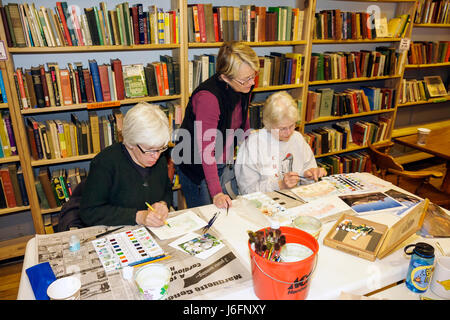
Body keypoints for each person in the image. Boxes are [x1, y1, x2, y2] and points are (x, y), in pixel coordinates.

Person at [174, 41, 259, 209]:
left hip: (222, 158)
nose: (252, 83)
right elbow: (206, 150)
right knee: (208, 217)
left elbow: (243, 117)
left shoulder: (242, 86)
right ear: (226, 77)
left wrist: (251, 147)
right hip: (196, 165)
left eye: (253, 76)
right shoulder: (209, 99)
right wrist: (216, 193)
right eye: (246, 79)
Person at [80, 102, 172, 227]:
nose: (156, 156)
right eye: (149, 150)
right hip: (117, 232)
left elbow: (166, 189)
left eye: (161, 148)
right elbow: (89, 212)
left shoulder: (160, 158)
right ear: (130, 143)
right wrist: (138, 216)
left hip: (152, 232)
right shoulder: (105, 163)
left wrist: (163, 203)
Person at [235, 91, 327, 195]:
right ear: (269, 124)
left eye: (292, 125)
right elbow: (247, 190)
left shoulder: (297, 138)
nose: (288, 132)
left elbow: (307, 172)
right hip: (265, 205)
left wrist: (309, 175)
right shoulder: (253, 145)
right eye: (282, 128)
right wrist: (280, 185)